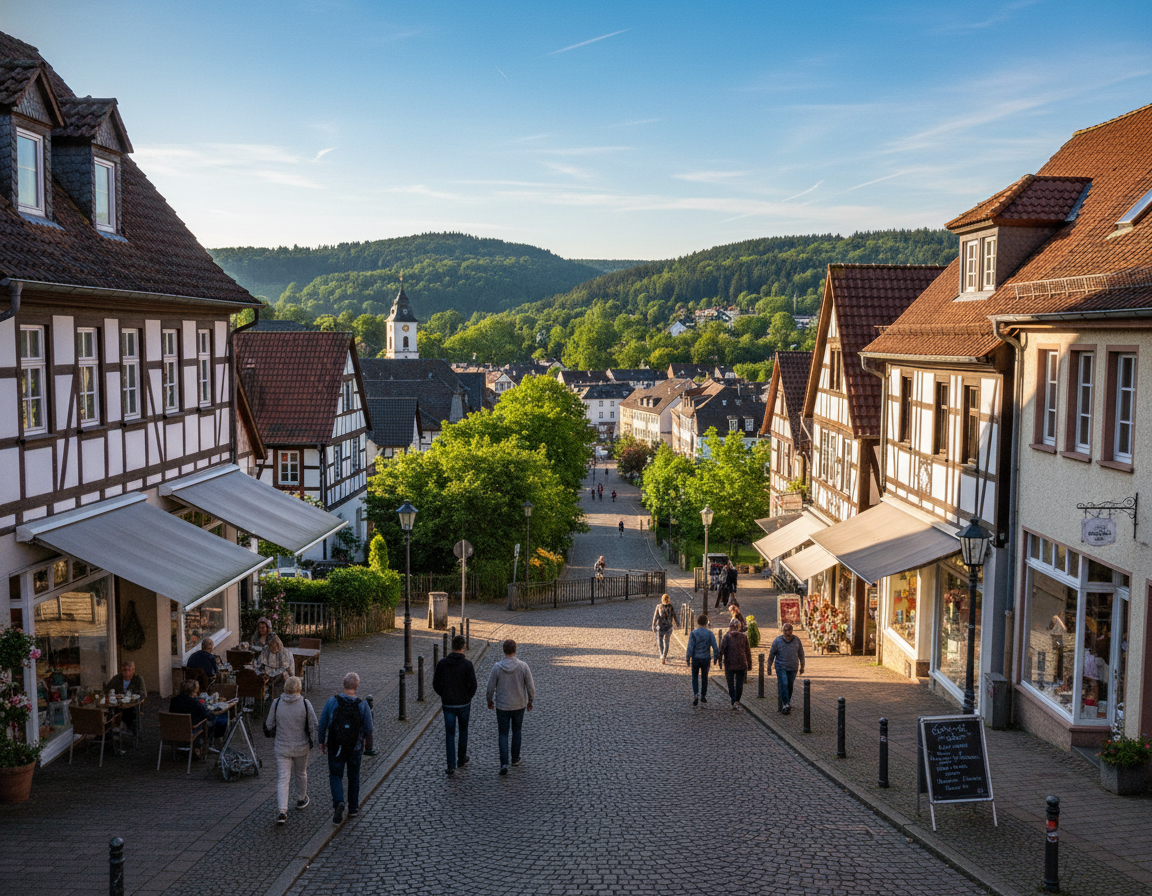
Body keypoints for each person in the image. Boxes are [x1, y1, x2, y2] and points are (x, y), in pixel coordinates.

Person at [318, 672, 374, 825]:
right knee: (353, 776)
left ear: (344, 685)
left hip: (336, 746)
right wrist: (368, 747)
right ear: (356, 686)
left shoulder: (331, 702)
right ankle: (354, 808)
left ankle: (338, 802)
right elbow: (369, 729)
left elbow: (322, 724)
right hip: (355, 748)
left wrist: (321, 742)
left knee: (335, 775)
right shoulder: (362, 705)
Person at [269, 675, 319, 825]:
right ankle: (301, 798)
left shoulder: (277, 703)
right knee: (301, 773)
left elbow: (269, 724)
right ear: (299, 689)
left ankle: (282, 811)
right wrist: (315, 741)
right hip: (301, 746)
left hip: (282, 747)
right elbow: (313, 724)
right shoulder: (304, 703)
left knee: (283, 778)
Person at [486, 639, 535, 776]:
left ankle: (503, 763)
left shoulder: (497, 667)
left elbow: (490, 687)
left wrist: (489, 699)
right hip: (519, 704)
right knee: (517, 730)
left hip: (502, 705)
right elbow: (531, 687)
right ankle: (515, 758)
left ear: (504, 650)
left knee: (503, 733)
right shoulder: (523, 666)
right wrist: (530, 700)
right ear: (515, 650)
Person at [433, 635, 477, 777]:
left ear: (452, 646)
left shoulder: (442, 663)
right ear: (463, 646)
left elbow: (435, 684)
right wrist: (468, 696)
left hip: (448, 704)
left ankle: (451, 765)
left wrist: (444, 694)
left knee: (450, 735)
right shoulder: (467, 665)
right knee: (463, 731)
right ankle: (461, 758)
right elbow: (474, 685)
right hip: (464, 703)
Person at [767, 622, 806, 714]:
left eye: (788, 630)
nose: (786, 632)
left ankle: (787, 701)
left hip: (793, 667)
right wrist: (769, 666)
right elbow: (772, 654)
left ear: (792, 631)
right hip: (781, 666)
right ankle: (785, 704)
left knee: (789, 685)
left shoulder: (797, 640)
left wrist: (802, 666)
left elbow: (801, 653)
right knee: (783, 683)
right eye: (784, 630)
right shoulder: (777, 641)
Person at [168, 679, 210, 757]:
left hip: (173, 731)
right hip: (190, 730)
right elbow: (205, 714)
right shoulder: (193, 703)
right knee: (208, 722)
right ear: (192, 691)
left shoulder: (174, 700)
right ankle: (203, 746)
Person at [685, 615, 719, 706]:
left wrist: (688, 657)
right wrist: (716, 657)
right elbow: (715, 647)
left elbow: (690, 647)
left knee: (695, 677)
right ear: (706, 623)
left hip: (696, 658)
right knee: (705, 677)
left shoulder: (693, 633)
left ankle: (696, 694)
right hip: (706, 658)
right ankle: (703, 695)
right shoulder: (709, 634)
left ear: (698, 623)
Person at [105, 661, 146, 736]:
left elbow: (143, 694)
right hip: (117, 704)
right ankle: (109, 733)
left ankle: (132, 730)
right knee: (108, 711)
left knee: (129, 713)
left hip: (132, 705)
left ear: (133, 670)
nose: (126, 672)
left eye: (129, 670)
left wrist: (131, 697)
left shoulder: (138, 679)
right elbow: (107, 688)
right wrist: (113, 694)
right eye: (124, 670)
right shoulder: (117, 678)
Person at [719, 620, 753, 710]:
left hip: (729, 664)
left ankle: (733, 700)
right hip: (741, 663)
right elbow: (747, 652)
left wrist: (718, 660)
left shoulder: (727, 636)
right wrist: (749, 665)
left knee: (730, 683)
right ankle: (737, 701)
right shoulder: (743, 637)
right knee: (739, 683)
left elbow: (722, 649)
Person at [651, 593, 679, 665]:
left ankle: (661, 655)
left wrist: (653, 625)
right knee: (666, 642)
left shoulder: (659, 606)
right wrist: (677, 624)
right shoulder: (671, 607)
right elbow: (674, 616)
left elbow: (655, 617)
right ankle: (664, 656)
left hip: (660, 626)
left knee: (660, 641)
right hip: (668, 627)